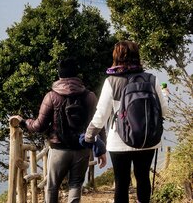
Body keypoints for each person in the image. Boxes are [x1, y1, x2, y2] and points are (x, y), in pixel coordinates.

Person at [83, 40, 168, 203]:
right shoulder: (151, 79)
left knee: (121, 183)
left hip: (119, 141)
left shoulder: (112, 81)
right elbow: (164, 111)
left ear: (116, 57)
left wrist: (89, 135)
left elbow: (101, 114)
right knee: (143, 178)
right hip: (148, 140)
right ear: (137, 56)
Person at [14, 58, 106, 203]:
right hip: (82, 149)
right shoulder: (90, 96)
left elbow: (39, 126)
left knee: (52, 187)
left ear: (60, 75)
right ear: (77, 75)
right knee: (75, 185)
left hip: (58, 149)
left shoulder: (51, 96)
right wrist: (101, 149)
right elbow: (99, 124)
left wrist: (24, 122)